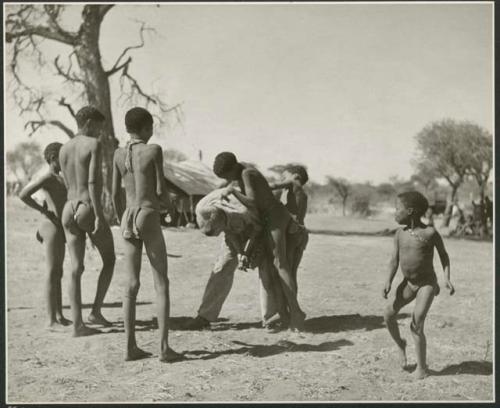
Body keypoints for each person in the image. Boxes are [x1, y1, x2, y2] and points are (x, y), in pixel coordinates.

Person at [112, 107, 182, 362]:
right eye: (150, 128)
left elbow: (113, 194)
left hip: (128, 216)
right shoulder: (153, 150)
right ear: (145, 128)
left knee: (130, 285)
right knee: (161, 281)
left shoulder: (119, 154)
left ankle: (130, 347)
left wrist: (123, 218)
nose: (152, 132)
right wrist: (170, 207)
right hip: (148, 214)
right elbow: (161, 190)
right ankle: (164, 349)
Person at [215, 152, 306, 331]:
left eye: (227, 175)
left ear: (233, 168)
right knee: (273, 268)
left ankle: (296, 313)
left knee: (281, 265)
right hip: (268, 220)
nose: (228, 179)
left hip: (275, 217)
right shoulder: (242, 173)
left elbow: (253, 202)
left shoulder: (246, 173)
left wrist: (233, 192)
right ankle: (284, 313)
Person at [382, 191, 455, 379]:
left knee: (417, 322)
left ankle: (422, 369)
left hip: (426, 284)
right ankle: (400, 344)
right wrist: (388, 281)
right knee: (389, 315)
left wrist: (446, 278)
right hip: (409, 284)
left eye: (398, 209)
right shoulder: (399, 234)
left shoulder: (430, 233)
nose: (395, 212)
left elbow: (444, 256)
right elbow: (393, 261)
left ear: (410, 211)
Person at [59, 106, 116, 337]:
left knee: (75, 267)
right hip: (86, 206)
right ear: (90, 122)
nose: (100, 132)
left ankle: (77, 325)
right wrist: (100, 217)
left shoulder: (63, 148)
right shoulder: (92, 144)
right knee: (110, 260)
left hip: (68, 207)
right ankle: (95, 311)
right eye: (99, 127)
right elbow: (93, 183)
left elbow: (66, 181)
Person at [19, 142, 71, 329]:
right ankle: (50, 320)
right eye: (62, 157)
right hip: (51, 227)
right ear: (52, 158)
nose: (65, 160)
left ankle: (59, 315)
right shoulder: (47, 177)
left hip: (60, 228)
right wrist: (44, 211)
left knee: (59, 271)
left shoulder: (61, 177)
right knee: (51, 272)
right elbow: (23, 194)